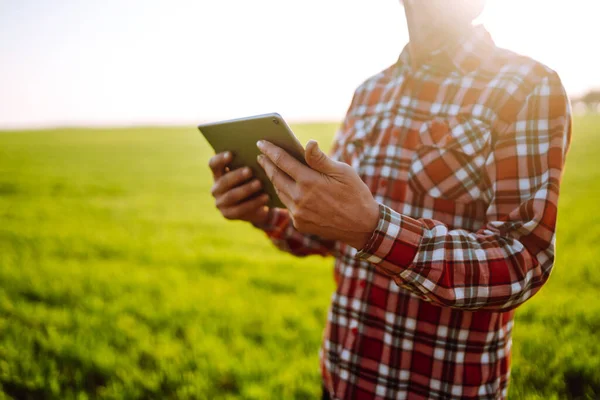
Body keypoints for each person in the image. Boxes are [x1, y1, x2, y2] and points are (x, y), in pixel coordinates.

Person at [207, 0, 572, 398]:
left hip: (441, 389)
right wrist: (262, 213)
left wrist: (373, 230)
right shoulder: (369, 94)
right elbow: (335, 232)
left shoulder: (526, 86)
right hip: (341, 378)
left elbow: (523, 260)